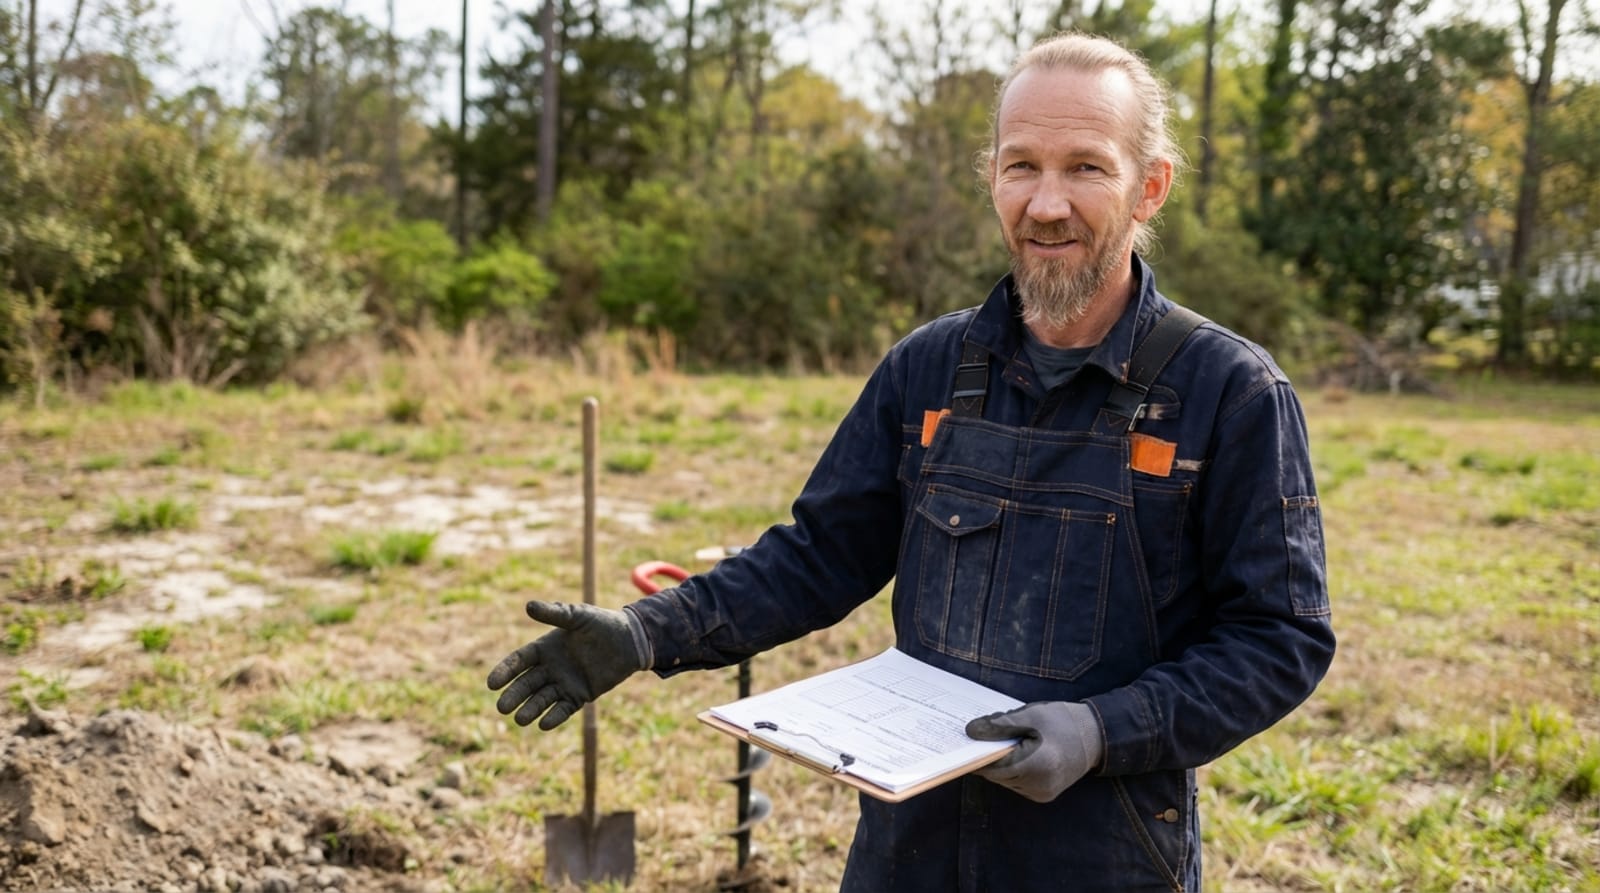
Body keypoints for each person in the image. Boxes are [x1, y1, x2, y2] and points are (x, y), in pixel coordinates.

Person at [488, 31, 1335, 893]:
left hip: (1104, 853)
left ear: (1149, 185)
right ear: (991, 177)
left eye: (1086, 167)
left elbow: (1281, 637)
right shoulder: (928, 369)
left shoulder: (1229, 392)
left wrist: (1102, 730)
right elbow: (819, 555)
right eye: (1021, 166)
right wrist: (649, 631)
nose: (1046, 204)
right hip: (909, 848)